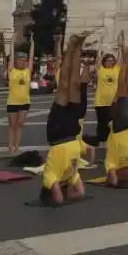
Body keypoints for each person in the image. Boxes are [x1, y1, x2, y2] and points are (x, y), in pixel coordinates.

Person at [40, 33, 89, 205]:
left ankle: (70, 47)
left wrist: (62, 194)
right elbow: (81, 193)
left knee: (64, 85)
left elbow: (59, 200)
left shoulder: (49, 178)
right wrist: (69, 189)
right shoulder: (71, 176)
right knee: (74, 84)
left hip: (58, 134)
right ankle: (78, 48)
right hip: (72, 132)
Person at [104, 37, 128, 186]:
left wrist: (114, 177)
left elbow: (113, 181)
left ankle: (126, 59)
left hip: (120, 128)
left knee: (123, 90)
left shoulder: (110, 165)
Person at [6, 38, 34, 155]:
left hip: (24, 102)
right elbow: (11, 57)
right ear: (16, 62)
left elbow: (32, 57)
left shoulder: (28, 71)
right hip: (12, 102)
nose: (22, 62)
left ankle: (17, 146)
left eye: (24, 61)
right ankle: (10, 147)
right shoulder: (12, 71)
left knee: (20, 125)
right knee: (12, 125)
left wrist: (32, 43)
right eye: (19, 61)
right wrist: (12, 42)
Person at [93, 50, 120, 146]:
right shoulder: (100, 69)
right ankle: (102, 142)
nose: (110, 62)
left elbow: (121, 57)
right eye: (108, 60)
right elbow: (97, 59)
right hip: (101, 101)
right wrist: (100, 44)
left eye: (112, 60)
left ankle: (111, 141)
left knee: (112, 123)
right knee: (102, 123)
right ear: (104, 61)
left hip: (113, 101)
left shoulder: (117, 69)